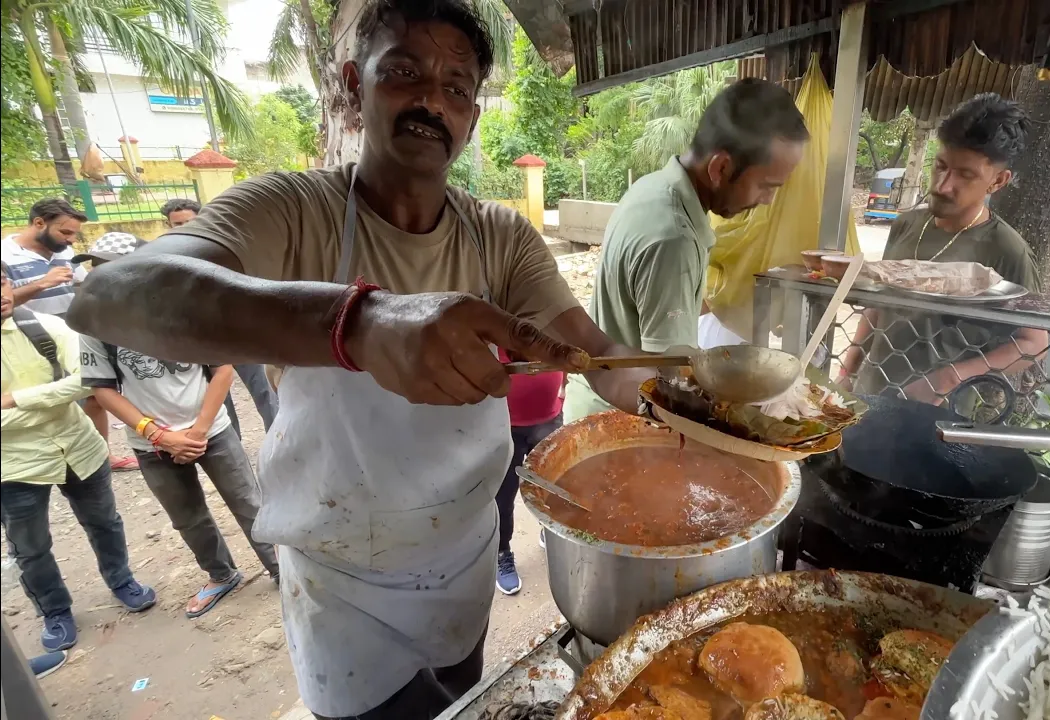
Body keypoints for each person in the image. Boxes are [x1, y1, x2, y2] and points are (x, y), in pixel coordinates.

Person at [66, 1, 653, 716]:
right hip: (342, 578)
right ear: (353, 85)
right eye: (404, 73)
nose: (432, 101)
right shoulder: (292, 212)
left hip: (461, 552)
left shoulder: (501, 237)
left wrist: (703, 404)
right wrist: (357, 322)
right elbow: (113, 296)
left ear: (471, 117)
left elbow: (598, 356)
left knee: (460, 699)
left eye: (457, 88)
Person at [562, 78, 809, 421]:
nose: (767, 201)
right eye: (766, 186)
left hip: (597, 401)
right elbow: (669, 380)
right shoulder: (674, 237)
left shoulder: (656, 187)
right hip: (619, 420)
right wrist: (758, 406)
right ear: (721, 168)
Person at [73, 234, 279, 619]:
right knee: (187, 516)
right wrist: (158, 435)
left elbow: (222, 370)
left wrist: (199, 430)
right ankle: (221, 575)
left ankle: (281, 569)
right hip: (152, 444)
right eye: (97, 267)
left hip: (211, 431)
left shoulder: (182, 309)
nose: (103, 275)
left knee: (248, 503)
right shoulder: (96, 325)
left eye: (113, 266)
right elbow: (102, 389)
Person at [836, 93, 1050, 404]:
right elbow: (878, 304)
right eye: (940, 166)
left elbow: (1034, 342)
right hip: (872, 392)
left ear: (998, 181)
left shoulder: (1006, 249)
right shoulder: (906, 225)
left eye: (966, 175)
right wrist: (848, 371)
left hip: (940, 413)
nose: (943, 185)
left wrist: (951, 377)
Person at [2, 262, 156, 653]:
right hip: (15, 465)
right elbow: (68, 389)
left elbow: (84, 380)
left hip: (79, 447)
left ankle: (121, 581)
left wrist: (16, 399)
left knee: (105, 523)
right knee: (31, 547)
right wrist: (51, 398)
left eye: (1, 282)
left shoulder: (41, 327)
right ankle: (55, 610)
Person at [2, 199, 138, 471]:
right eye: (65, 232)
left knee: (95, 394)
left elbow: (82, 287)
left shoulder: (65, 253)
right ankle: (40, 463)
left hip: (75, 335)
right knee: (46, 399)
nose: (71, 239)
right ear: (39, 223)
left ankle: (100, 455)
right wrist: (41, 283)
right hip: (31, 341)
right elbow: (5, 301)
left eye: (74, 233)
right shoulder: (6, 255)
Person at [161, 199, 280, 432]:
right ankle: (231, 446)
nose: (185, 227)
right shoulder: (168, 257)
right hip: (203, 341)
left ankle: (280, 441)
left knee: (265, 392)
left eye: (190, 221)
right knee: (217, 398)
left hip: (243, 335)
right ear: (169, 226)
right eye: (178, 224)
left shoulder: (229, 247)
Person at [492, 348, 563, 595]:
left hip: (549, 418)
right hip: (505, 426)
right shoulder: (491, 321)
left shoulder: (547, 318)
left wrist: (561, 390)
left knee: (552, 487)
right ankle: (502, 553)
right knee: (503, 497)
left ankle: (550, 532)